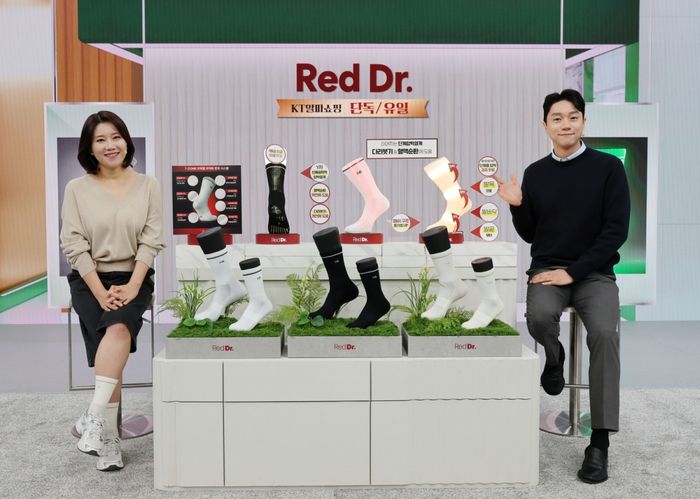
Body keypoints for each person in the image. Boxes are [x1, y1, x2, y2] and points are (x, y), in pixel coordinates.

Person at [495, 89, 630, 484]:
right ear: (545, 126)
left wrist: (574, 272)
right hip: (547, 269)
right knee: (537, 318)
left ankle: (599, 443)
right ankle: (554, 359)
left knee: (604, 334)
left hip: (594, 274)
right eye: (557, 118)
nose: (565, 124)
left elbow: (616, 231)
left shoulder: (608, 168)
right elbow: (532, 233)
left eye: (573, 117)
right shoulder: (536, 173)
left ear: (583, 122)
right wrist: (517, 206)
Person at [60, 110, 165, 472]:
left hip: (134, 276)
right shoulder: (76, 189)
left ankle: (94, 419)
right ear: (89, 148)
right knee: (113, 356)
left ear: (126, 141)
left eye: (116, 137)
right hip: (88, 280)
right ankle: (109, 439)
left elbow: (151, 240)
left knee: (118, 329)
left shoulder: (148, 185)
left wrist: (133, 285)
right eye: (100, 139)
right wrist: (100, 291)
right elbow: (73, 243)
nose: (110, 145)